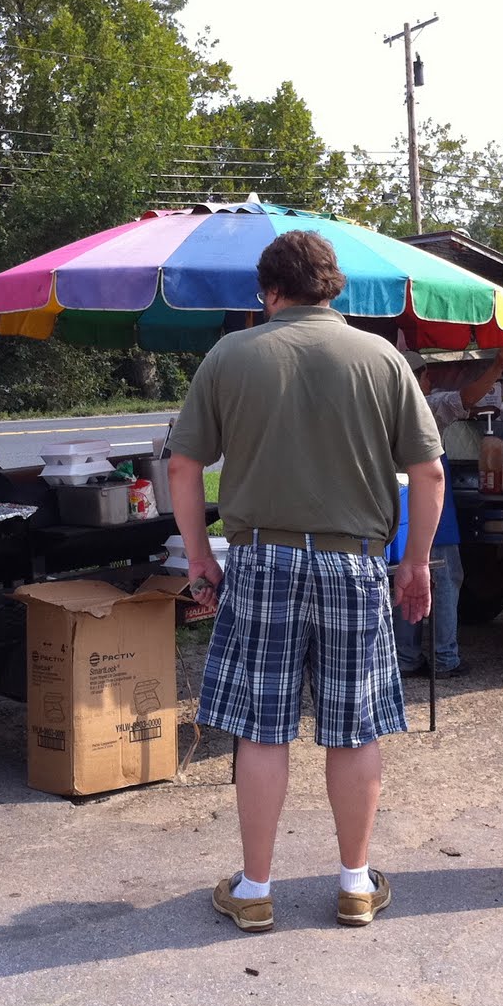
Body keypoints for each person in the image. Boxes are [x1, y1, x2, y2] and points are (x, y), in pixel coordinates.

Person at [167, 229, 445, 933]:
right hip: (355, 562)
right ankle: (355, 884)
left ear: (269, 291)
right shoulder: (382, 358)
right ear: (334, 288)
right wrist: (414, 562)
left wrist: (200, 554)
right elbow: (429, 472)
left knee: (263, 731)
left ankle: (256, 888)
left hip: (262, 557)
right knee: (353, 729)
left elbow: (182, 465)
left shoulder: (231, 355)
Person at [393, 346, 503, 678]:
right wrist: (499, 366)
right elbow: (469, 396)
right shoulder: (426, 406)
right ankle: (445, 657)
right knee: (445, 580)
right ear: (419, 378)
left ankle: (405, 656)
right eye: (426, 375)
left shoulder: (381, 408)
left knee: (404, 578)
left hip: (399, 511)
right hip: (433, 509)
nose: (430, 380)